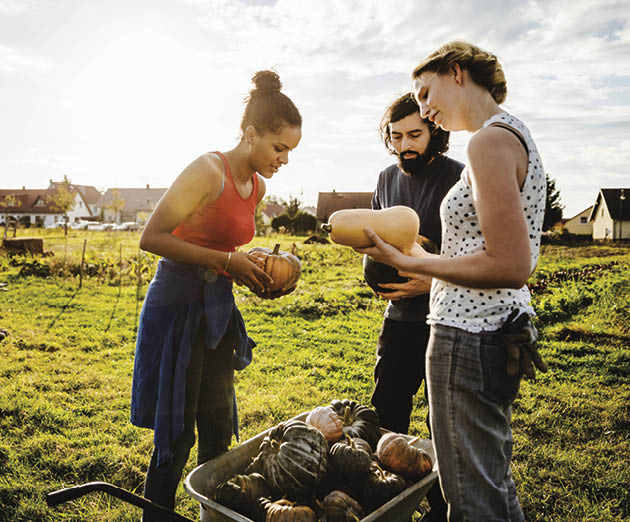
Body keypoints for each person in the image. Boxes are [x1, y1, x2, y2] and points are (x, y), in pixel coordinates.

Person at [357, 41, 548, 521]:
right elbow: (491, 252)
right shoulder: (508, 133)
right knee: (488, 483)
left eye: (425, 92)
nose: (423, 107)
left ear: (457, 72)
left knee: (469, 495)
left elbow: (510, 263)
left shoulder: (487, 141)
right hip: (489, 328)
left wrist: (420, 266)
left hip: (469, 334)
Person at [130, 70, 302, 520]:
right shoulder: (208, 170)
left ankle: (217, 512)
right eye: (278, 147)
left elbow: (225, 244)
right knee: (177, 432)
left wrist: (255, 266)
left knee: (218, 426)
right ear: (250, 134)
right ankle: (158, 513)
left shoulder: (258, 186)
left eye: (290, 151)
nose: (283, 159)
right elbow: (152, 238)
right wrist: (227, 262)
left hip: (217, 311)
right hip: (177, 306)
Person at [368, 92, 463, 521]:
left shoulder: (462, 178)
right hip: (399, 319)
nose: (405, 144)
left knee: (444, 424)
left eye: (415, 134)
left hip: (448, 318)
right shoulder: (387, 179)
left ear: (434, 132)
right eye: (396, 135)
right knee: (387, 412)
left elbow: (478, 254)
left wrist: (431, 276)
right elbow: (376, 244)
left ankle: (444, 509)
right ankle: (392, 502)